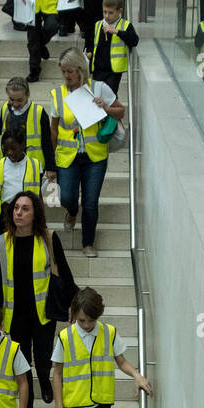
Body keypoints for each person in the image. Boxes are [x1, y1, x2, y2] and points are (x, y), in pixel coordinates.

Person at [0, 190, 77, 408]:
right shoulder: (0, 242)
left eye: (25, 208)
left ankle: (46, 381)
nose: (19, 212)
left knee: (44, 353)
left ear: (35, 213)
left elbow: (64, 272)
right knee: (22, 357)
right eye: (16, 208)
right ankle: (27, 404)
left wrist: (74, 303)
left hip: (42, 311)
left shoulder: (48, 237)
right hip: (14, 313)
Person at [52, 286, 152, 408]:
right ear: (74, 314)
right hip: (74, 406)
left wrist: (136, 375)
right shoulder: (65, 337)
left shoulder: (109, 332)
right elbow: (57, 373)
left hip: (101, 406)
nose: (87, 325)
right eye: (82, 320)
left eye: (91, 320)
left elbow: (121, 361)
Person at [50, 47, 125, 257]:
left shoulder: (99, 88)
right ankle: (71, 213)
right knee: (67, 197)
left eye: (70, 71)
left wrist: (106, 108)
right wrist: (51, 159)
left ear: (81, 70)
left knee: (90, 202)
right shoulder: (57, 94)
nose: (66, 76)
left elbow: (121, 110)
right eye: (63, 71)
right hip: (68, 156)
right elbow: (53, 128)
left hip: (95, 156)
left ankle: (88, 243)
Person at [0, 130, 42, 238]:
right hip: (6, 215)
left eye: (13, 149)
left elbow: (39, 195)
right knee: (2, 248)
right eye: (6, 149)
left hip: (27, 215)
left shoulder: (35, 165)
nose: (9, 152)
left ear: (22, 145)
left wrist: (42, 220)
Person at [0, 76, 55, 169]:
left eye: (20, 100)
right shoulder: (5, 108)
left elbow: (47, 142)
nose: (16, 104)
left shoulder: (38, 112)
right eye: (12, 99)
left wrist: (50, 167)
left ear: (28, 94)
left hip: (33, 165)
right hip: (9, 162)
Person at [89, 0, 138, 95]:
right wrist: (89, 52)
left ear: (119, 11)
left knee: (109, 97)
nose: (107, 16)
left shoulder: (125, 25)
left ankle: (113, 111)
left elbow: (134, 40)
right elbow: (92, 43)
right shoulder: (98, 24)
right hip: (98, 69)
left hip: (114, 71)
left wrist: (117, 32)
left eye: (110, 13)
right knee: (96, 97)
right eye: (104, 12)